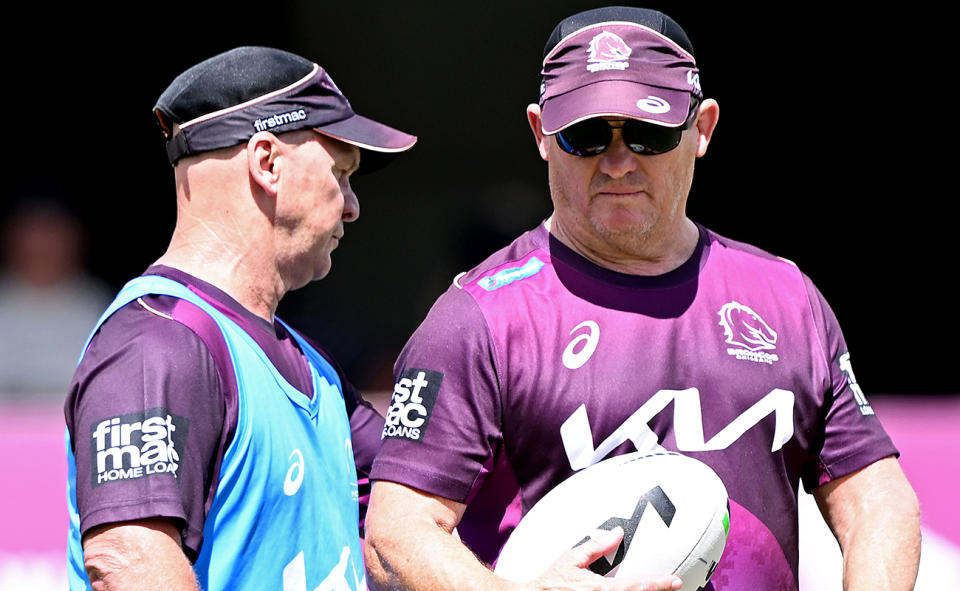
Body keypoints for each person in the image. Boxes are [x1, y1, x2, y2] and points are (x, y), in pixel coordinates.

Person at [363, 7, 921, 591]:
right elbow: (396, 534)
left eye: (648, 132)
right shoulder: (478, 319)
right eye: (585, 135)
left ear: (701, 129)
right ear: (541, 135)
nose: (618, 160)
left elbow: (876, 500)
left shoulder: (786, 298)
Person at [64, 46, 415, 591]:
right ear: (267, 163)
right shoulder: (157, 344)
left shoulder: (308, 363)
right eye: (341, 173)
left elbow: (421, 491)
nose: (352, 206)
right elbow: (127, 561)